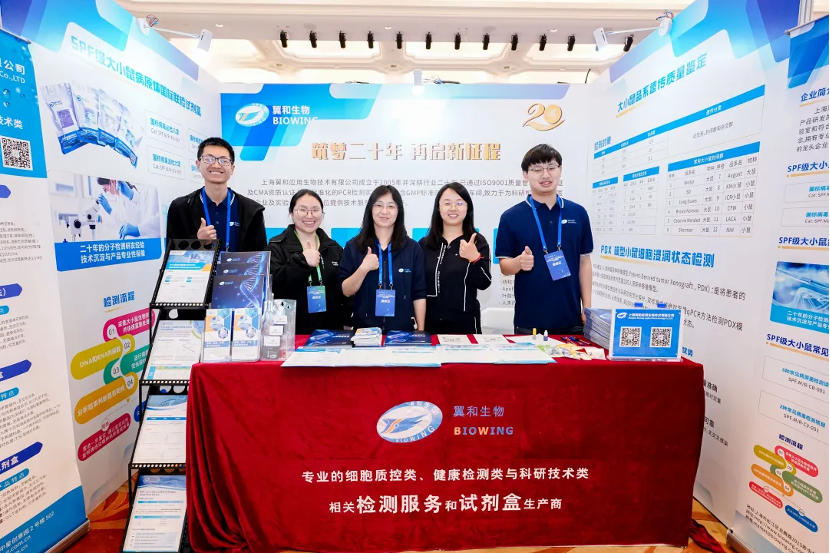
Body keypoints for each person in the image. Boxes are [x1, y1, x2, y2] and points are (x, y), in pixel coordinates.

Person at [495, 144, 593, 335]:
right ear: (525, 174)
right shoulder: (511, 217)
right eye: (537, 169)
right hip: (529, 321)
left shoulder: (578, 213)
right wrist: (519, 262)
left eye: (551, 167)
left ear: (560, 170)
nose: (545, 175)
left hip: (572, 319)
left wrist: (587, 308)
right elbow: (505, 266)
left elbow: (584, 262)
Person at [339, 185, 427, 333]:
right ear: (370, 209)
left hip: (402, 333)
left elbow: (419, 293)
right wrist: (363, 269)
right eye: (379, 205)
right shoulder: (354, 246)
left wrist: (421, 331)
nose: (384, 211)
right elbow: (346, 291)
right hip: (364, 333)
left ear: (398, 211)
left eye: (391, 206)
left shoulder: (412, 248)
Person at [268, 190, 352, 334]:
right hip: (292, 331)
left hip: (332, 330)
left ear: (322, 214)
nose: (309, 215)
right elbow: (274, 285)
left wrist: (346, 320)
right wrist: (302, 262)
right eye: (302, 210)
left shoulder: (334, 248)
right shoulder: (276, 247)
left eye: (315, 210)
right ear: (291, 213)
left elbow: (343, 289)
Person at [166, 137, 266, 252]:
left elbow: (260, 257)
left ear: (232, 168)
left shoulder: (251, 210)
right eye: (209, 159)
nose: (216, 165)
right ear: (198, 164)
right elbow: (171, 256)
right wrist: (197, 241)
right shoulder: (180, 207)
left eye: (223, 160)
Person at [419, 182, 492, 334]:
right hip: (429, 325)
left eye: (459, 203)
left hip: (465, 325)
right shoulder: (425, 244)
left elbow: (484, 283)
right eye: (447, 203)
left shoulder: (477, 242)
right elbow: (416, 286)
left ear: (467, 208)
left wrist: (475, 258)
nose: (453, 208)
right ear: (438, 208)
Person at [96, 178, 160, 240]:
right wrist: (108, 212)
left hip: (147, 239)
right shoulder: (121, 197)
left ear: (112, 181)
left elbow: (143, 217)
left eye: (105, 189)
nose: (106, 192)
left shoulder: (149, 189)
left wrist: (138, 229)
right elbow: (123, 219)